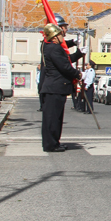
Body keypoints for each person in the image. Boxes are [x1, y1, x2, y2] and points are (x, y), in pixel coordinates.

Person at [40, 23, 81, 152]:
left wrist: (79, 53)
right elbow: (64, 67)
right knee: (52, 119)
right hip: (55, 87)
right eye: (59, 34)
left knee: (56, 118)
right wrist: (79, 74)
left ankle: (54, 142)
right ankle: (51, 144)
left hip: (55, 87)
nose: (62, 35)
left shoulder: (52, 47)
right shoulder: (54, 48)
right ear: (54, 37)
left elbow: (66, 60)